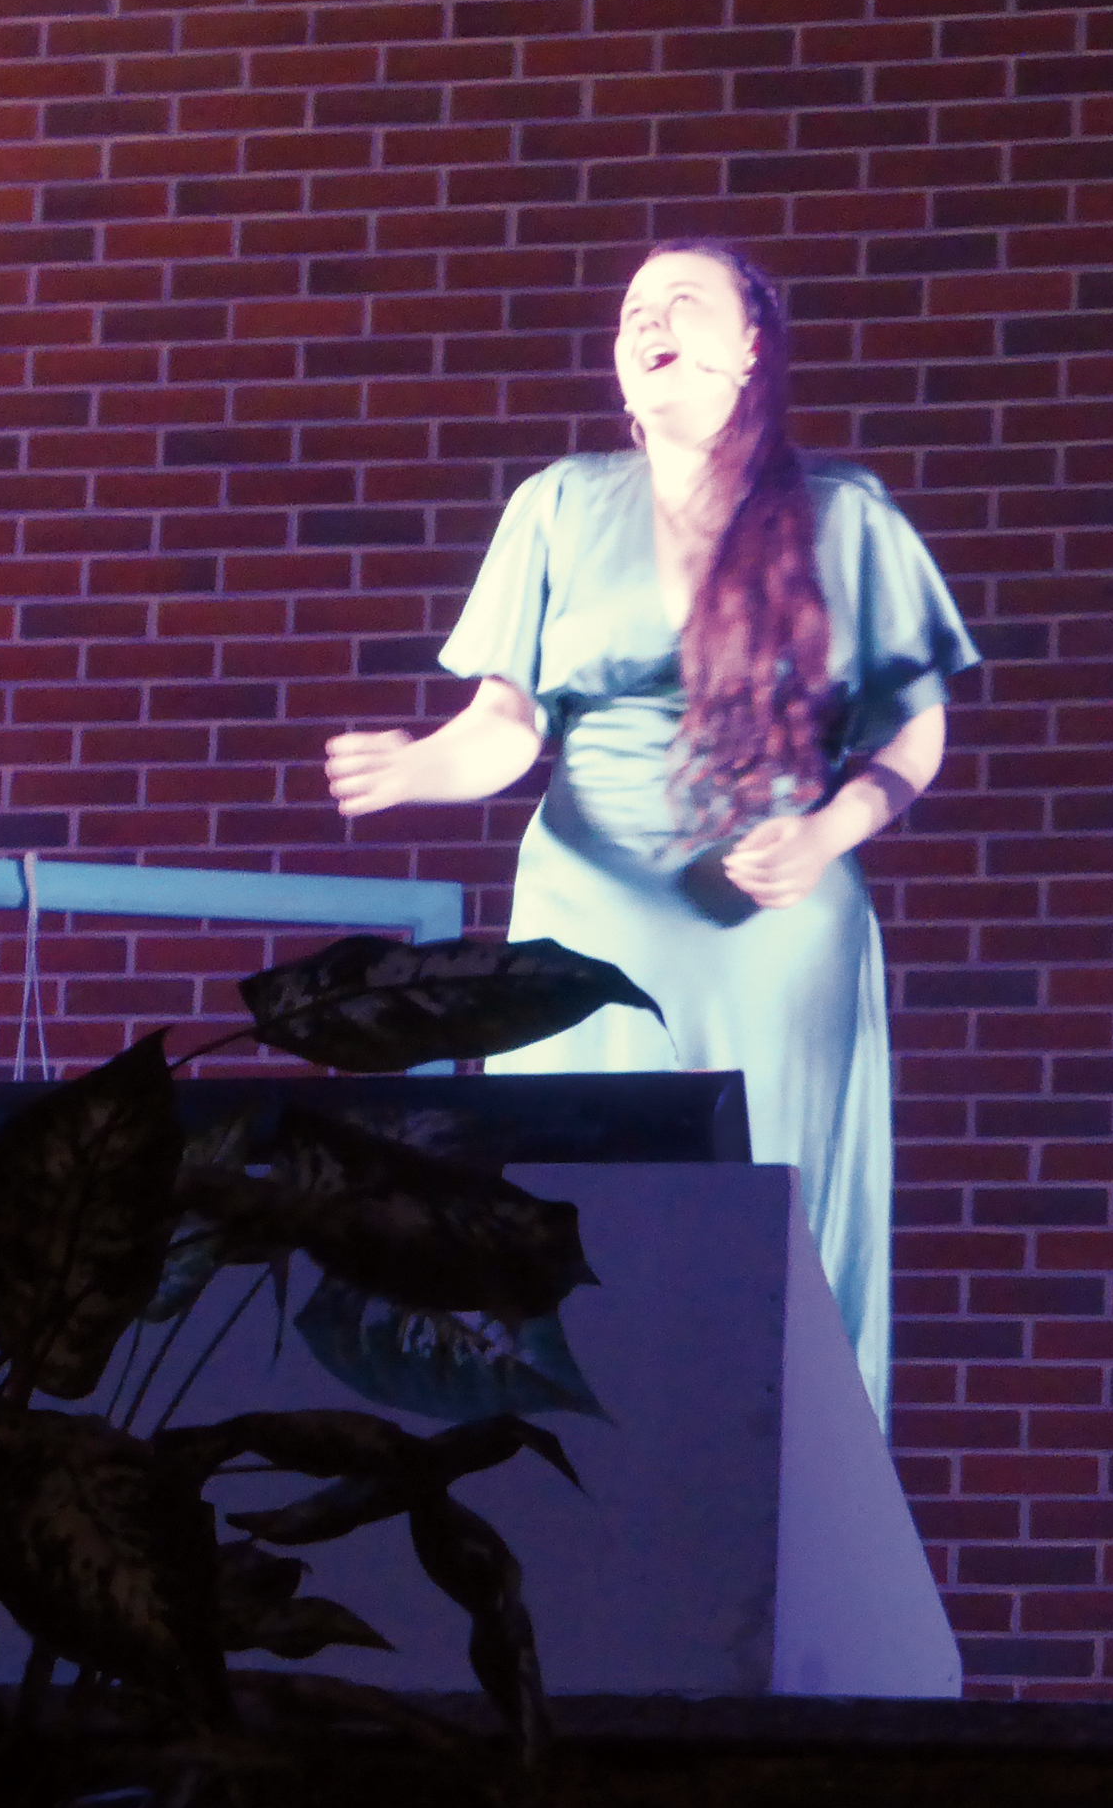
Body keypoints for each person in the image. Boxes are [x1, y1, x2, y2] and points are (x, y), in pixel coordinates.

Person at [326, 241, 978, 1416]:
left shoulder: (843, 516)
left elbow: (914, 738)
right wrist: (420, 764)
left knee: (764, 1229)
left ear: (750, 347)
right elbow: (506, 729)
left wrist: (826, 833)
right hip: (587, 919)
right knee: (568, 1212)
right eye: (633, 309)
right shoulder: (560, 504)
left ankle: (779, 1474)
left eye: (683, 302)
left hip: (770, 926)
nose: (649, 322)